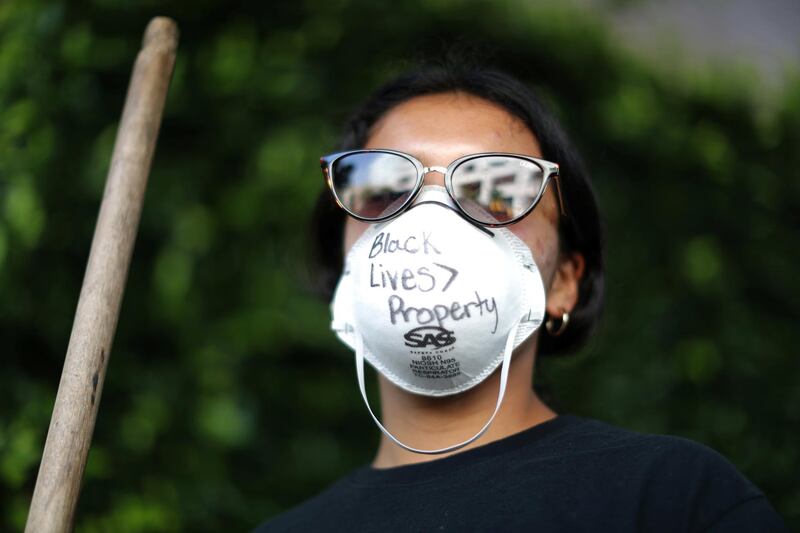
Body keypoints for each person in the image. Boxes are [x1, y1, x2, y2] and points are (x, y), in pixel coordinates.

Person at [254, 62, 787, 532]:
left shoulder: (675, 499)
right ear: (342, 248)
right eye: (387, 186)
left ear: (563, 283)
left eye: (497, 190)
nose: (430, 219)